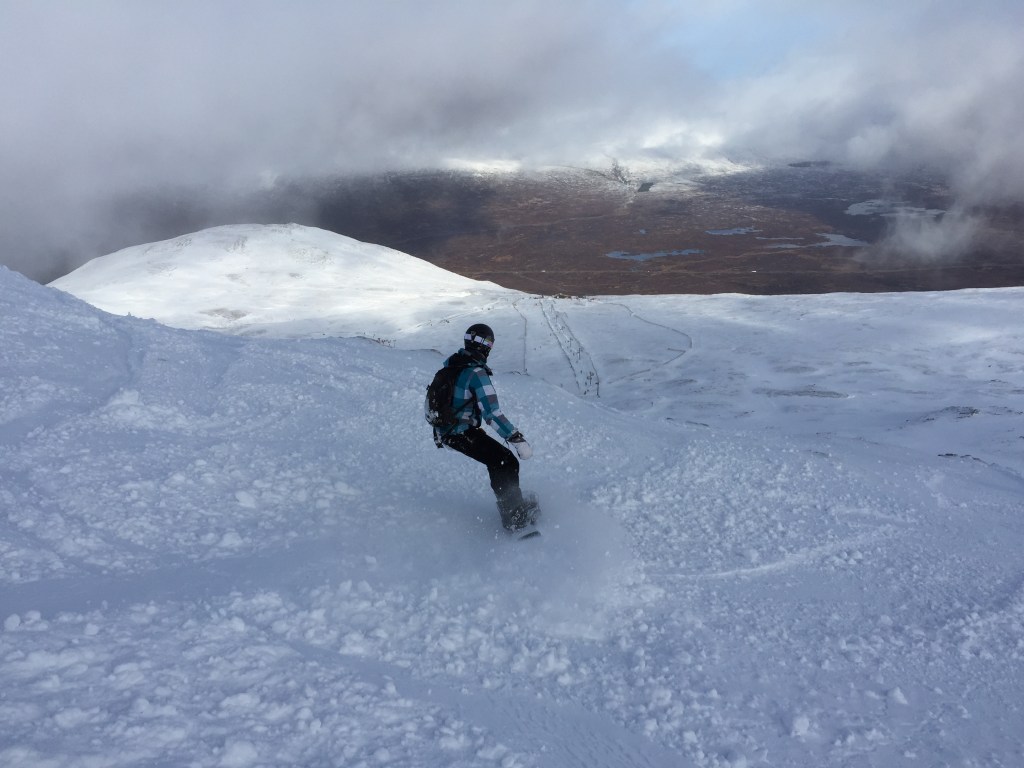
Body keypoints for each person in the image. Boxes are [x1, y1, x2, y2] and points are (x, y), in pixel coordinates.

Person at [432, 323, 537, 531]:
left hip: (448, 430)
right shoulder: (476, 373)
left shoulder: (452, 365)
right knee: (505, 461)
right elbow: (492, 413)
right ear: (485, 346)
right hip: (459, 432)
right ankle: (515, 518)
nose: (490, 347)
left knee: (500, 460)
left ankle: (513, 508)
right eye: (489, 343)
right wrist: (516, 438)